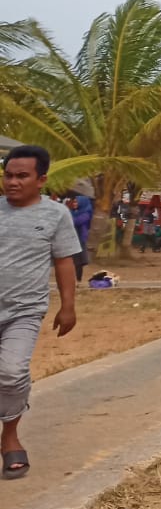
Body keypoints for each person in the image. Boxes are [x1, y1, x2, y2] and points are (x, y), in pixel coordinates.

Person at [0, 145, 79, 480]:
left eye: (22, 176)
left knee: (11, 371)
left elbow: (64, 261)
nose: (12, 182)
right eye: (8, 175)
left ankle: (9, 435)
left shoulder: (56, 215)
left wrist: (68, 306)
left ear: (41, 179)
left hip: (24, 311)